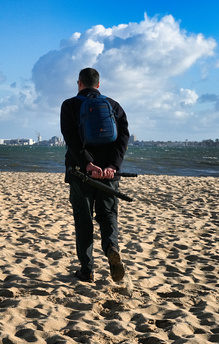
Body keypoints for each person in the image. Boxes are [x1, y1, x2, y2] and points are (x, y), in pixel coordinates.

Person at [60, 68, 130, 283]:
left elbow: (71, 138)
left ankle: (87, 270)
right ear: (98, 85)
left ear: (78, 83)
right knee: (108, 214)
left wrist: (88, 164)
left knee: (83, 220)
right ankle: (110, 246)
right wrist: (112, 165)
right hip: (109, 173)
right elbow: (123, 137)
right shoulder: (114, 105)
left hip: (81, 172)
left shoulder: (69, 105)